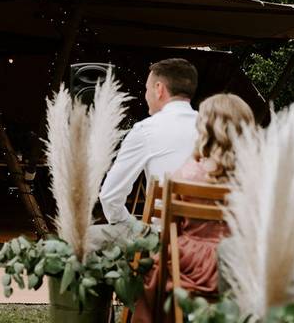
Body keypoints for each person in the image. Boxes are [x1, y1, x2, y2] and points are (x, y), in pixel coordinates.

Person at [132, 93, 255, 322]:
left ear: (204, 129)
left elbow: (172, 228)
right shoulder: (257, 176)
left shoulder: (188, 174)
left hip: (190, 265)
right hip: (243, 264)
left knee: (157, 267)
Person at [99, 58, 200, 225]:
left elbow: (110, 196)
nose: (146, 96)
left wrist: (133, 225)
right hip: (216, 240)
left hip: (165, 239)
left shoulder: (145, 130)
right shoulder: (215, 128)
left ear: (159, 89)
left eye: (147, 89)